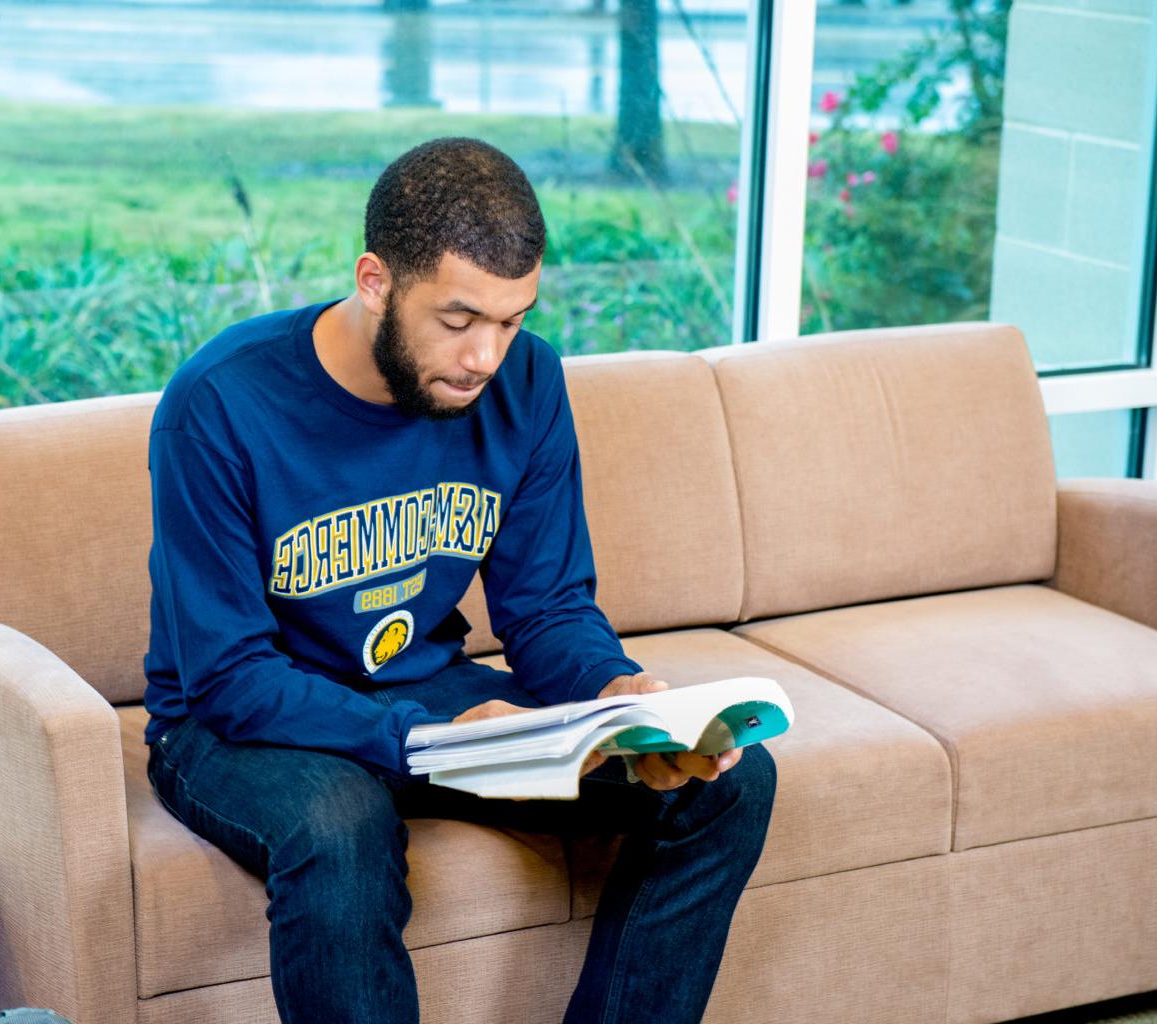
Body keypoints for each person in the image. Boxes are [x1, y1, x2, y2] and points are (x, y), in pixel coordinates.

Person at [141, 136, 776, 1024]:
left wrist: (616, 695)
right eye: (459, 319)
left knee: (730, 781)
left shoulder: (528, 381)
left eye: (511, 320)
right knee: (338, 825)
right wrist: (432, 733)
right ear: (375, 281)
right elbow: (227, 677)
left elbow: (548, 606)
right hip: (232, 724)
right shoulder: (219, 405)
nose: (486, 356)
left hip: (424, 695)